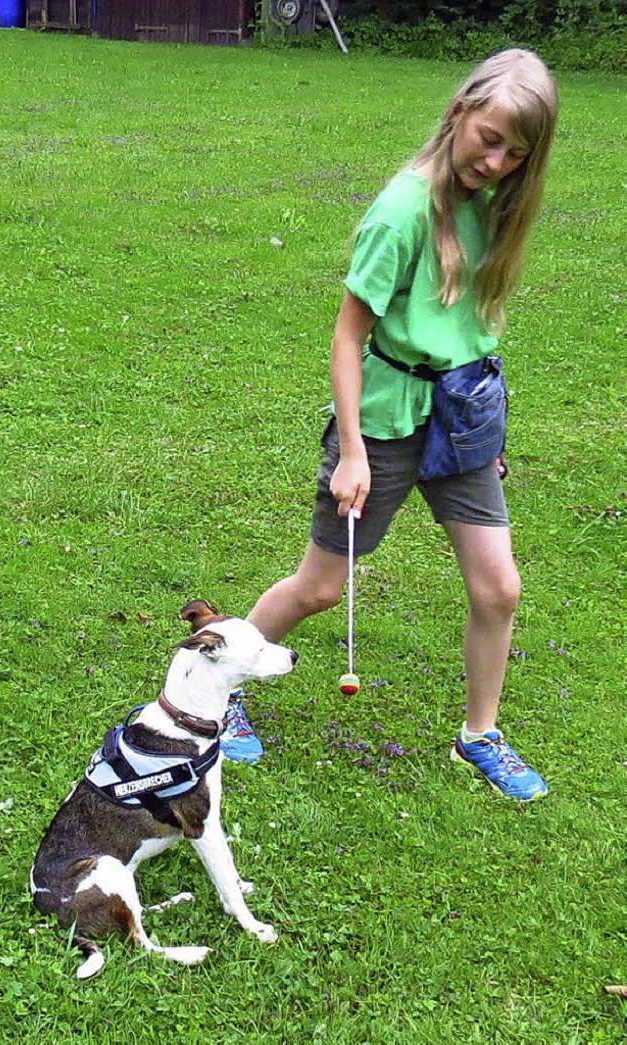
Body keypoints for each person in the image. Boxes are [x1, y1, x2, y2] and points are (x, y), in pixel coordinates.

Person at [237, 49, 559, 801]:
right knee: (319, 587)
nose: (497, 160)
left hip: (465, 412)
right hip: (384, 419)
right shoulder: (403, 210)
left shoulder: (499, 208)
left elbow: (473, 331)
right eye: (488, 137)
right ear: (457, 115)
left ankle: (480, 734)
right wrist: (352, 450)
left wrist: (491, 436)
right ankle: (224, 687)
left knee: (499, 588)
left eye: (516, 151)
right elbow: (348, 336)